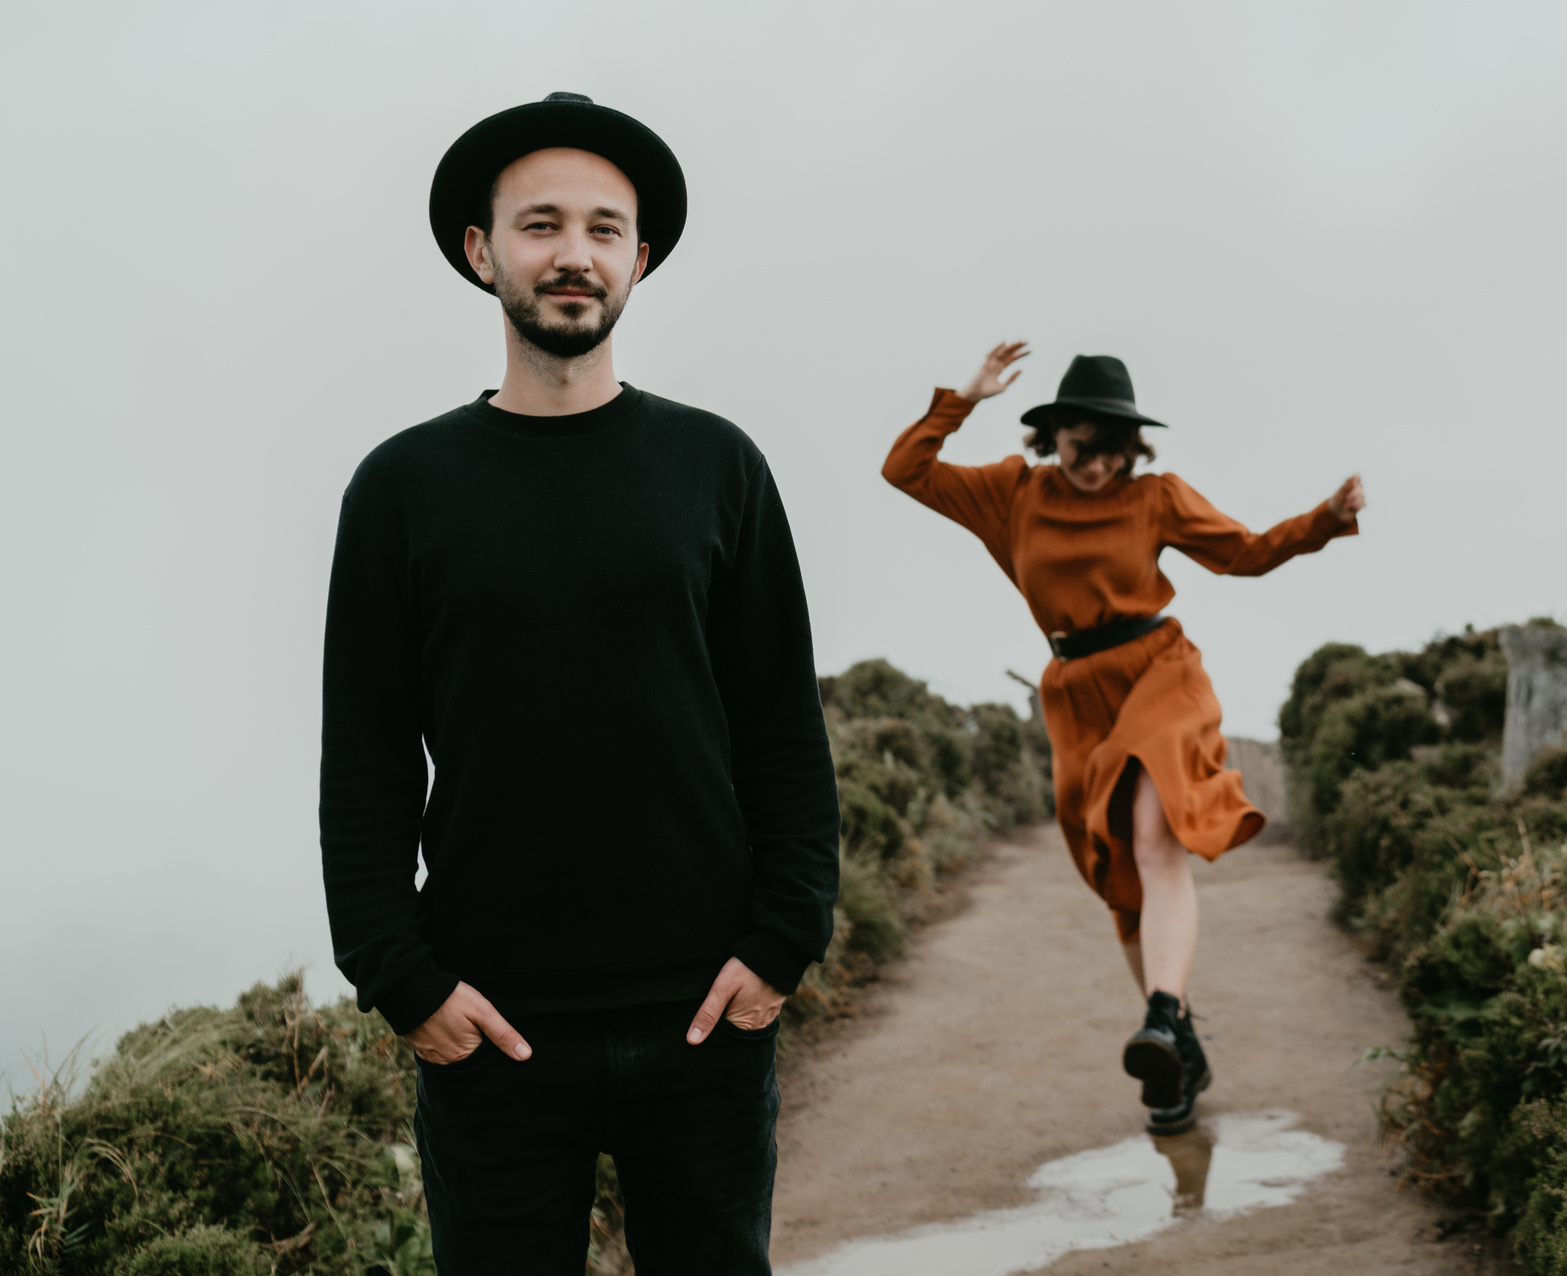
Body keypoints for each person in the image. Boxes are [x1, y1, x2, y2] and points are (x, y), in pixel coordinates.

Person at [320, 92, 840, 1274]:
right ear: (481, 250)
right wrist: (403, 980)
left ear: (638, 258)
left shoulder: (716, 466)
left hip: (705, 1015)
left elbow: (780, 727)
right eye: (541, 224)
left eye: (605, 228)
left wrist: (782, 942)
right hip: (489, 1028)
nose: (574, 254)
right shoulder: (401, 487)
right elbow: (366, 760)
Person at [882, 343, 1365, 1134]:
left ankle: (1164, 1013)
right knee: (1121, 879)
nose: (1099, 465)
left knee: (1153, 831)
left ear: (1133, 449)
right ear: (1053, 436)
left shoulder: (1156, 498)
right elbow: (905, 468)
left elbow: (1244, 553)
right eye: (1083, 447)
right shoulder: (1011, 493)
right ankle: (1178, 1049)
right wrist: (963, 397)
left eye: (1115, 451)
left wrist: (1326, 519)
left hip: (1158, 674)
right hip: (1078, 699)